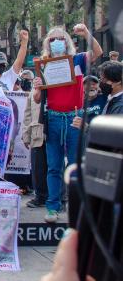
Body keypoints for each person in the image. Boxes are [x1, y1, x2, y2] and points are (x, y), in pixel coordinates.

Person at [32, 24, 102, 223]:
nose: (56, 43)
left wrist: (87, 33)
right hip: (53, 118)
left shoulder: (78, 60)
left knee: (74, 164)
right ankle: (53, 207)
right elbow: (37, 99)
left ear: (67, 42)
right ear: (47, 44)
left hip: (74, 118)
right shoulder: (43, 64)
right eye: (52, 40)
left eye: (60, 39)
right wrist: (37, 87)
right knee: (54, 166)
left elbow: (98, 51)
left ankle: (76, 207)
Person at [22, 84, 48, 208]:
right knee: (37, 167)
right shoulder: (33, 89)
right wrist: (26, 135)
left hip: (53, 132)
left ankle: (58, 198)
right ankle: (40, 197)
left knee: (54, 168)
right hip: (37, 134)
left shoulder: (57, 86)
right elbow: (27, 114)